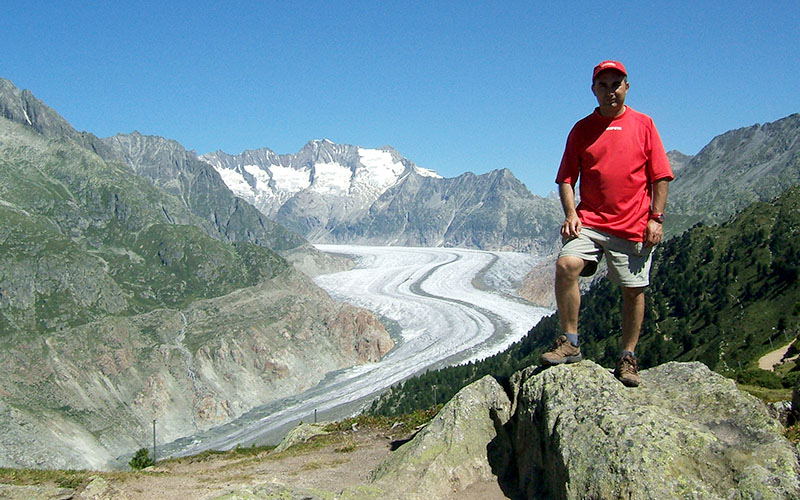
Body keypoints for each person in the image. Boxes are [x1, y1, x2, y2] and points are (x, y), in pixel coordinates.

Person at [540, 60, 674, 387]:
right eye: (603, 85)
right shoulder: (582, 129)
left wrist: (656, 218)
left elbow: (661, 176)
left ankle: (628, 357)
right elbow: (566, 179)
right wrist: (571, 215)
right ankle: (570, 341)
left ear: (626, 86)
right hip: (591, 221)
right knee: (566, 265)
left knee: (633, 290)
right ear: (593, 89)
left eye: (616, 84)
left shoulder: (644, 124)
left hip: (633, 224)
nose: (610, 90)